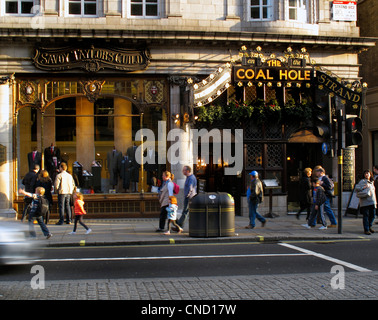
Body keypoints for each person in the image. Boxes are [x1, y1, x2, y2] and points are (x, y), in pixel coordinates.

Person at [356, 170, 377, 235]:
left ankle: (369, 226)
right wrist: (363, 187)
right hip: (365, 201)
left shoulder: (372, 182)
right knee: (366, 215)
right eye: (365, 173)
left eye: (368, 173)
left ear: (370, 174)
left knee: (372, 215)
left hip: (372, 201)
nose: (367, 175)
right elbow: (357, 188)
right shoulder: (362, 181)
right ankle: (366, 229)